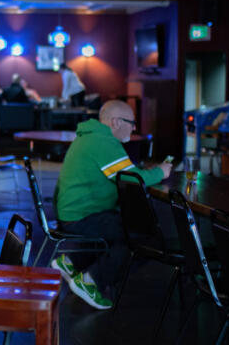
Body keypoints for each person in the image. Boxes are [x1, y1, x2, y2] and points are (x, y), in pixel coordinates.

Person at [52, 100, 172, 310]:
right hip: (81, 217)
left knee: (121, 226)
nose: (134, 128)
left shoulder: (90, 136)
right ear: (116, 122)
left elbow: (124, 173)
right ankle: (90, 282)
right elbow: (132, 179)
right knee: (143, 234)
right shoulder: (102, 141)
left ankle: (70, 262)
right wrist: (160, 172)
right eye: (131, 122)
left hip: (73, 212)